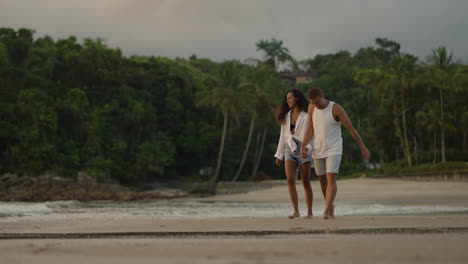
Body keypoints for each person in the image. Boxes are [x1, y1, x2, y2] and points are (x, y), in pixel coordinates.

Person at [301, 87, 370, 219]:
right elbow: (311, 128)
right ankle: (331, 206)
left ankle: (326, 210)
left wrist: (363, 147)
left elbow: (350, 128)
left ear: (323, 96)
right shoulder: (311, 108)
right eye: (313, 103)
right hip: (318, 149)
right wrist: (303, 145)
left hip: (334, 148)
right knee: (322, 180)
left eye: (318, 102)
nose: (316, 105)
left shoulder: (336, 108)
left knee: (331, 177)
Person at [274, 89, 314, 219]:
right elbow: (283, 136)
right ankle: (296, 211)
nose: (287, 101)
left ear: (296, 98)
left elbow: (311, 134)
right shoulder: (286, 115)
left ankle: (309, 212)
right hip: (289, 148)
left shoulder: (307, 115)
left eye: (290, 98)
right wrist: (279, 154)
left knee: (305, 181)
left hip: (303, 148)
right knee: (290, 179)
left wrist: (307, 148)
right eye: (287, 99)